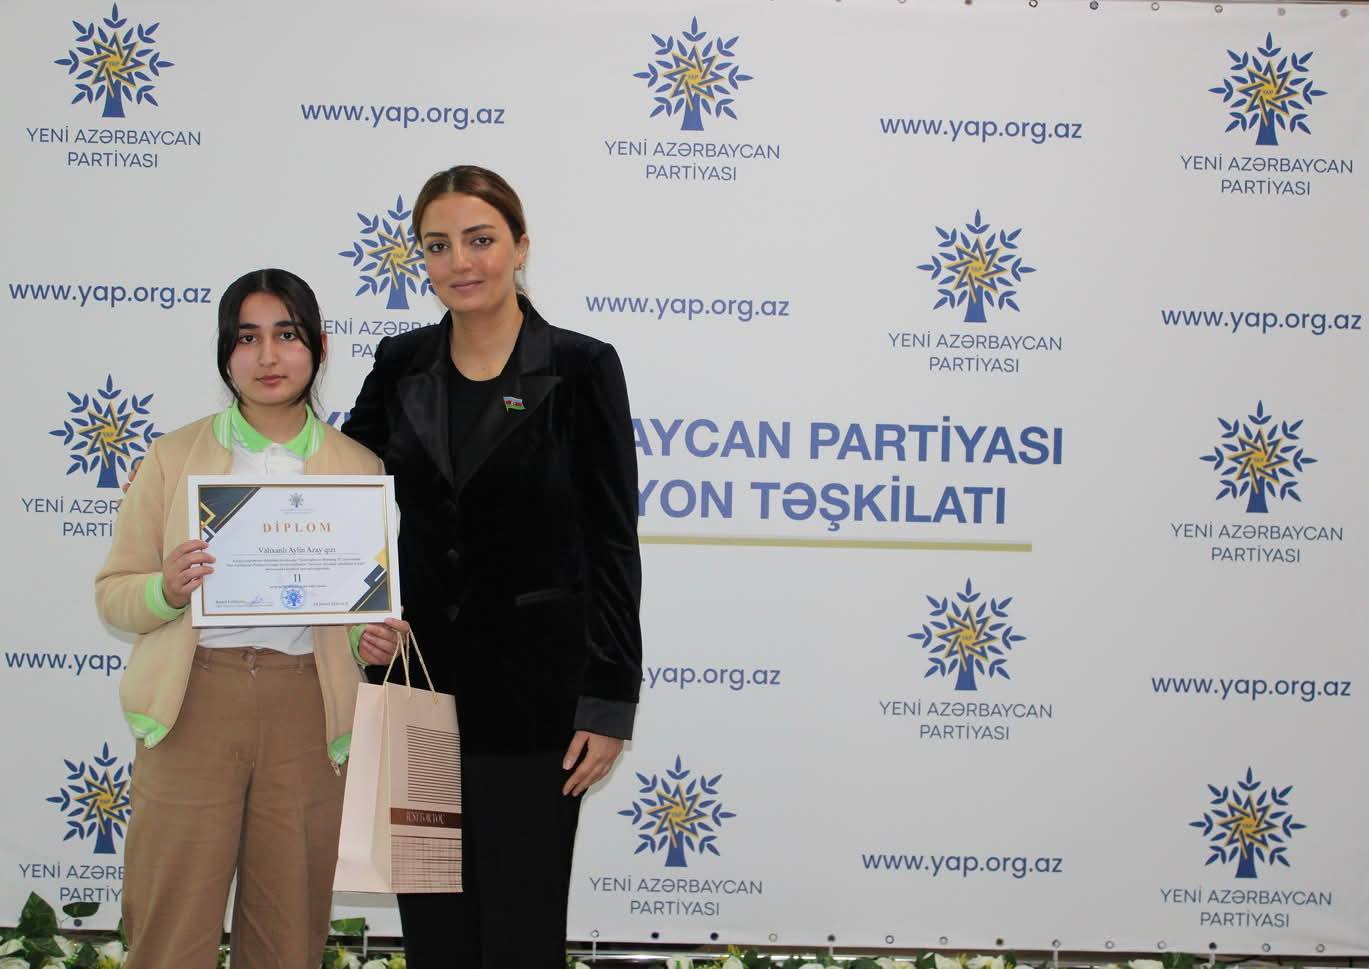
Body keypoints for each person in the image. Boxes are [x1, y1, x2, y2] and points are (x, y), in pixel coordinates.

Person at [343, 165, 643, 967]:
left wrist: (609, 699)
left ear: (520, 247)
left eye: (479, 239)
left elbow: (613, 542)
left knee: (519, 932)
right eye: (437, 245)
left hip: (538, 697)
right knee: (435, 935)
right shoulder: (399, 362)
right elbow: (334, 489)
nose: (460, 262)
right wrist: (194, 480)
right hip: (419, 686)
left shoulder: (581, 367)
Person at [95, 269, 401, 969]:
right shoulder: (174, 457)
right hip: (193, 704)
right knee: (170, 928)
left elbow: (360, 613)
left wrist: (374, 638)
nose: (268, 356)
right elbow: (114, 593)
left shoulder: (359, 468)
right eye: (247, 337)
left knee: (288, 932)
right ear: (224, 352)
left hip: (308, 710)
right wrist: (167, 589)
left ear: (319, 346)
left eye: (287, 335)